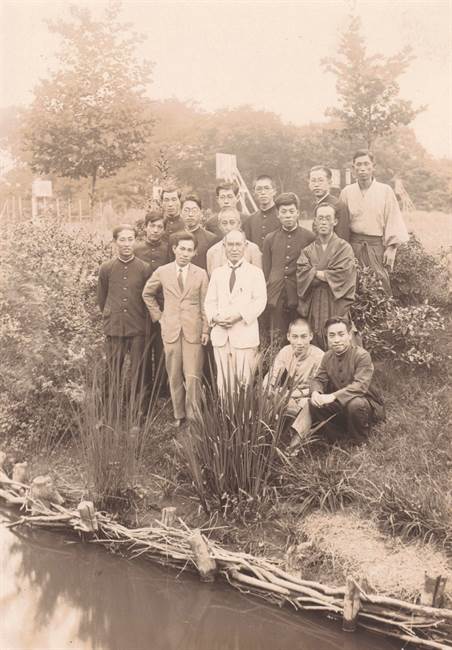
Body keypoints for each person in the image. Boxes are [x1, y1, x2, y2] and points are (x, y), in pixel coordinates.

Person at [142, 232, 209, 426]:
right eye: (182, 249)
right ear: (174, 249)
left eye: (190, 250)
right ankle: (178, 415)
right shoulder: (163, 271)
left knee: (193, 375)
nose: (185, 253)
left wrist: (205, 330)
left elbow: (205, 304)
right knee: (174, 374)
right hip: (170, 330)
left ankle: (194, 416)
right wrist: (159, 316)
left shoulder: (201, 273)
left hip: (193, 331)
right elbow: (147, 294)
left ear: (195, 252)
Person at [290, 317, 384, 445]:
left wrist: (333, 396)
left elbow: (360, 386)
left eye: (341, 334)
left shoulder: (362, 355)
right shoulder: (327, 356)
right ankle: (337, 440)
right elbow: (318, 379)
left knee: (355, 404)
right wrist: (316, 393)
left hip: (365, 404)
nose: (336, 340)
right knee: (314, 403)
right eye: (332, 335)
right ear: (327, 337)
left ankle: (360, 441)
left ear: (349, 335)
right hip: (342, 405)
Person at [205, 229, 267, 394]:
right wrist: (216, 318)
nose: (234, 249)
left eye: (238, 244)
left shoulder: (255, 273)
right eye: (230, 244)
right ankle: (225, 418)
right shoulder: (218, 273)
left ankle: (243, 419)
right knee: (223, 382)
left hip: (244, 334)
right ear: (224, 246)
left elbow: (260, 301)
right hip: (221, 336)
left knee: (244, 381)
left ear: (245, 246)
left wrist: (239, 316)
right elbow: (210, 302)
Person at [339, 150, 409, 295]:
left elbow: (393, 218)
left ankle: (384, 316)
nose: (362, 168)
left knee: (380, 284)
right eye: (358, 164)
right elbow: (341, 223)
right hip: (352, 246)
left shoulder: (385, 190)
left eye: (366, 164)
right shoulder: (347, 192)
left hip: (375, 246)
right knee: (352, 285)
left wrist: (392, 248)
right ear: (353, 168)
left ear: (373, 167)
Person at [97, 224, 151, 401]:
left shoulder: (144, 268)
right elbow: (102, 299)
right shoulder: (106, 268)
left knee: (139, 371)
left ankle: (138, 414)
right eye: (122, 239)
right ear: (115, 242)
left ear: (135, 241)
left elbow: (148, 298)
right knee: (112, 370)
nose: (126, 244)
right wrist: (112, 317)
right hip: (115, 327)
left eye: (130, 239)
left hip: (138, 327)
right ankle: (109, 411)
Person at [297, 203, 356, 349]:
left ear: (335, 221)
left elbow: (344, 274)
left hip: (336, 302)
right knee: (316, 338)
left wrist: (314, 272)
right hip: (315, 302)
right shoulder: (307, 250)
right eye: (320, 218)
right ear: (315, 221)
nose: (323, 222)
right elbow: (302, 274)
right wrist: (325, 274)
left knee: (338, 339)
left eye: (328, 218)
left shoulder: (344, 248)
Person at [263, 192, 315, 336]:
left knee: (298, 334)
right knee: (277, 336)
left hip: (299, 296)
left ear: (298, 213)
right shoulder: (270, 239)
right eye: (283, 212)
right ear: (278, 215)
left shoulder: (309, 237)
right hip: (276, 296)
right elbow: (266, 271)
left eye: (291, 211)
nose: (288, 215)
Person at [134, 210, 170, 395]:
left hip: (164, 306)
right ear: (145, 227)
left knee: (163, 348)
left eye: (159, 227)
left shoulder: (168, 249)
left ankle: (162, 389)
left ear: (164, 230)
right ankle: (145, 390)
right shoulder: (136, 249)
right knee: (144, 348)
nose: (155, 230)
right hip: (141, 307)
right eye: (152, 226)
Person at [265, 318, 324, 420]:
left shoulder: (319, 356)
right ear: (288, 337)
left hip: (308, 397)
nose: (299, 342)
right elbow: (273, 375)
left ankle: (293, 425)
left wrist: (289, 394)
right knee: (270, 396)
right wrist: (268, 386)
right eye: (295, 337)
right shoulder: (285, 351)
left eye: (304, 337)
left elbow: (318, 388)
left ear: (311, 336)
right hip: (288, 396)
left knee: (307, 404)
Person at [206, 206, 262, 276]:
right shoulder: (212, 252)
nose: (228, 227)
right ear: (219, 226)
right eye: (224, 223)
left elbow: (257, 278)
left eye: (232, 222)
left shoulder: (252, 249)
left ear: (239, 224)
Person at [308, 165, 350, 241]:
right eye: (313, 180)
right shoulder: (317, 204)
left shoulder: (338, 206)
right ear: (309, 184)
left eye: (320, 180)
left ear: (330, 183)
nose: (316, 185)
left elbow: (342, 238)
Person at [180, 194, 218, 269]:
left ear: (201, 213)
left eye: (194, 211)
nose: (190, 214)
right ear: (181, 213)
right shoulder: (174, 237)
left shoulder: (211, 239)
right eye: (186, 210)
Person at [244, 175, 280, 251]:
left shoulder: (282, 216)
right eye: (259, 189)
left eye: (267, 188)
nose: (263, 192)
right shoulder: (250, 220)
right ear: (254, 193)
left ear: (274, 191)